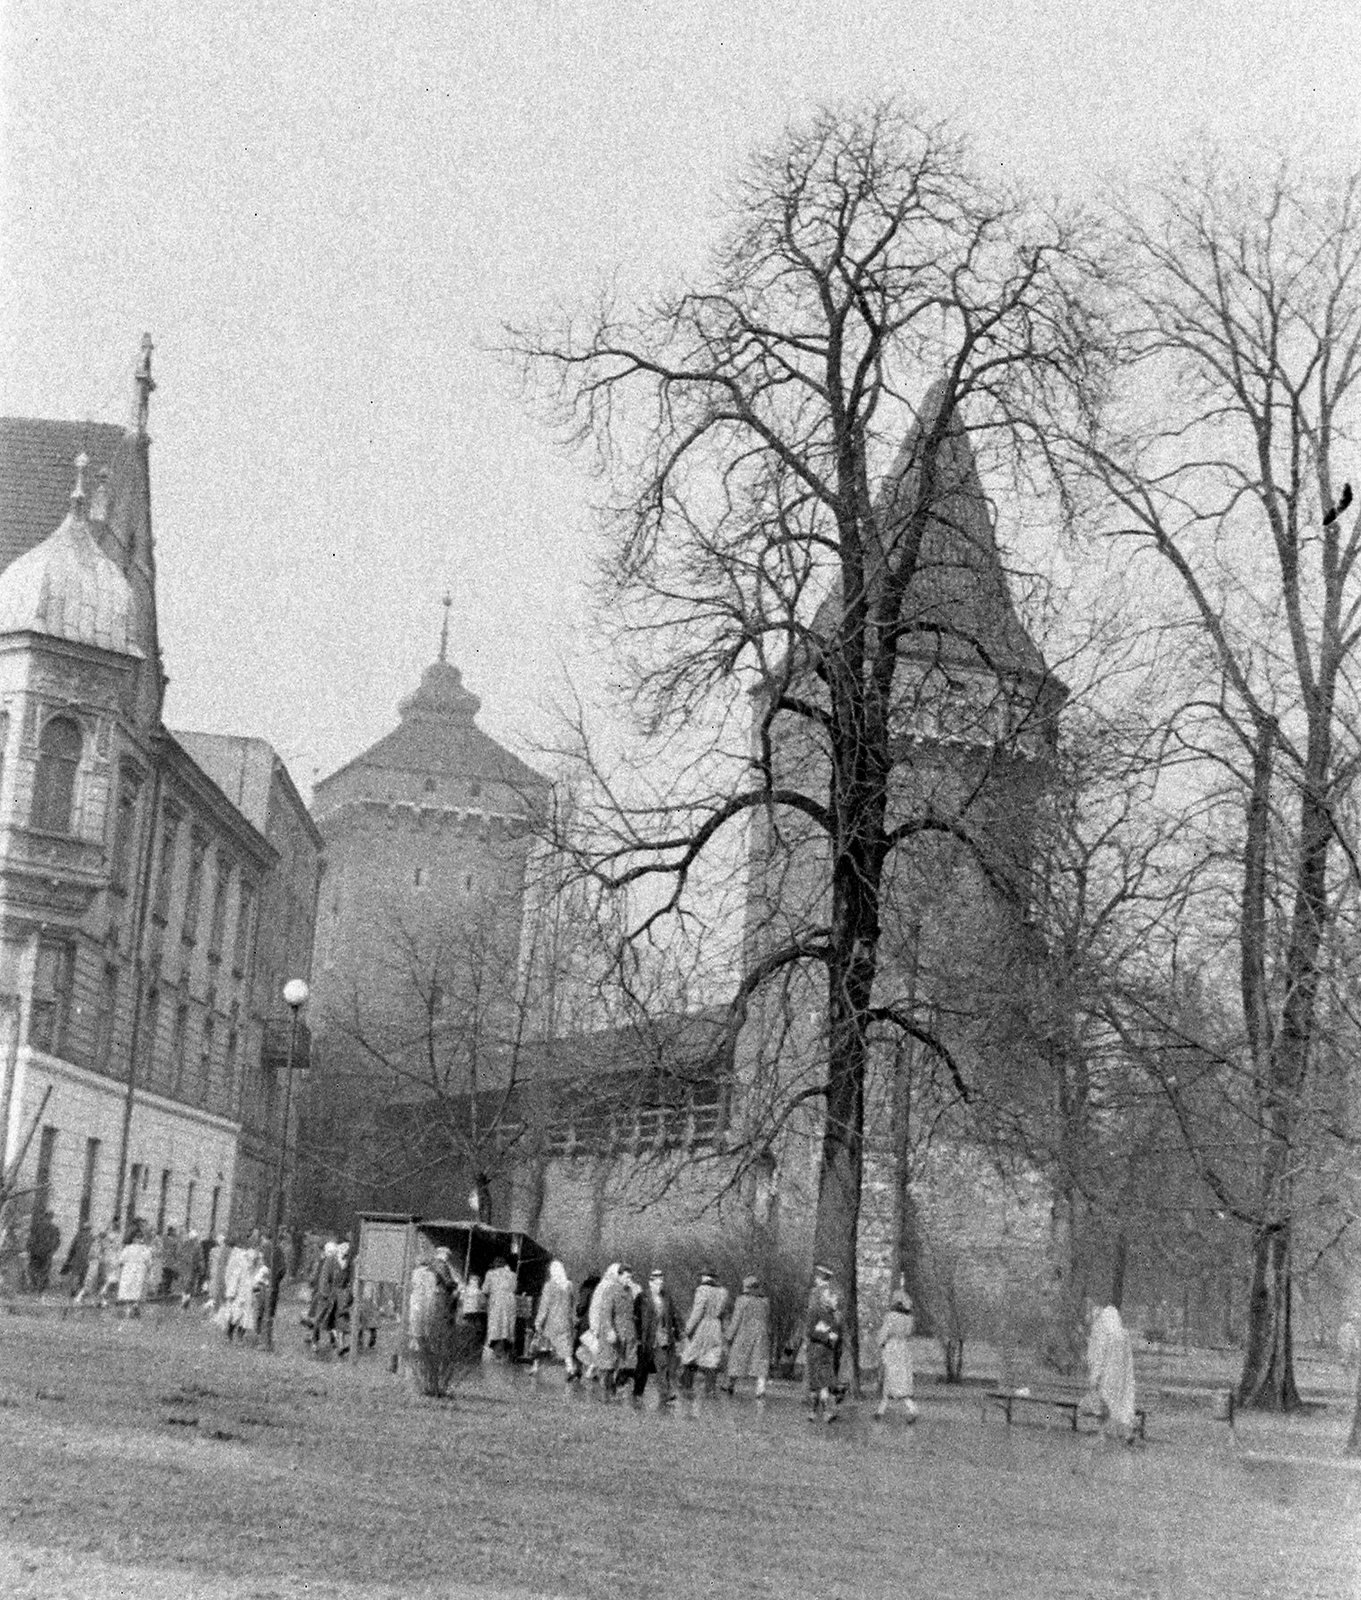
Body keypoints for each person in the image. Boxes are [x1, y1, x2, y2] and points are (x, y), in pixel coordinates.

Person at [1082, 1302, 1137, 1443]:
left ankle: (1102, 1435)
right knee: (1121, 1405)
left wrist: (1095, 1377)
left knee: (1103, 1405)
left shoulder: (1104, 1334)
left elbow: (1098, 1357)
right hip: (1122, 1377)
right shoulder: (1123, 1335)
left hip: (1107, 1376)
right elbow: (1129, 1360)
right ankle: (1124, 1433)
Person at [679, 1267, 730, 1397]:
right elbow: (724, 1313)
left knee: (692, 1354)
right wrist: (724, 1329)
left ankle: (686, 1385)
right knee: (712, 1356)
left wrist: (687, 1329)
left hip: (704, 1324)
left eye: (702, 1276)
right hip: (717, 1326)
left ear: (705, 1277)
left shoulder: (702, 1290)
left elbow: (697, 1312)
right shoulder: (723, 1292)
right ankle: (710, 1389)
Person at [635, 1266, 681, 1404]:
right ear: (650, 1282)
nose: (659, 1285)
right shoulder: (642, 1297)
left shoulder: (666, 1297)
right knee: (642, 1368)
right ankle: (637, 1393)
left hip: (662, 1337)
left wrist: (679, 1334)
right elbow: (636, 1318)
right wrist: (638, 1336)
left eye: (661, 1282)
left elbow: (673, 1316)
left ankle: (665, 1394)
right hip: (646, 1338)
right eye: (656, 1282)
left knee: (662, 1365)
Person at [591, 1262, 638, 1397]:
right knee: (608, 1364)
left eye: (630, 1277)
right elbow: (605, 1313)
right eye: (627, 1277)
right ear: (619, 1276)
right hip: (613, 1332)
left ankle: (615, 1392)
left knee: (624, 1364)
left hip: (626, 1333)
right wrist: (610, 1330)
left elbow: (630, 1313)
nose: (629, 1280)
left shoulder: (629, 1292)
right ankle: (605, 1394)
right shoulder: (610, 1290)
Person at [805, 1264, 844, 1422]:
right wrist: (830, 1337)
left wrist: (828, 1336)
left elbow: (812, 1327)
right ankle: (822, 1411)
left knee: (819, 1380)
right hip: (825, 1347)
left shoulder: (817, 1297)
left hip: (820, 1346)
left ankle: (816, 1411)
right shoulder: (832, 1304)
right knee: (822, 1380)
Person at [724, 1275, 772, 1399]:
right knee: (761, 1360)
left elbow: (736, 1319)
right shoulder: (765, 1301)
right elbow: (766, 1319)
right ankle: (760, 1389)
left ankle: (730, 1384)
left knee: (737, 1357)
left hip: (744, 1332)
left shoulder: (742, 1300)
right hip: (761, 1333)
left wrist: (729, 1335)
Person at [875, 1288, 918, 1423]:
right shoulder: (909, 1318)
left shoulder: (891, 1316)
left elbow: (884, 1333)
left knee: (891, 1379)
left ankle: (912, 1408)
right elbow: (909, 1333)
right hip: (904, 1349)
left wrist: (880, 1343)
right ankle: (880, 1411)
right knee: (899, 1380)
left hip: (892, 1349)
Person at [533, 1259, 577, 1377]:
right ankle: (570, 1368)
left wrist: (538, 1321)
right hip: (565, 1321)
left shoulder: (549, 1286)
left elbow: (544, 1306)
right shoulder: (569, 1285)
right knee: (565, 1347)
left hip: (551, 1321)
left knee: (542, 1343)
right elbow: (572, 1303)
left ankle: (535, 1367)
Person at [115, 1224, 155, 1319]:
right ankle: (135, 1306)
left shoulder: (128, 1248)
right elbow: (149, 1262)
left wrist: (119, 1269)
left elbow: (120, 1260)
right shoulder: (145, 1249)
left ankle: (128, 1309)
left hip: (128, 1271)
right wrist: (149, 1272)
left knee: (127, 1289)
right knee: (137, 1289)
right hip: (140, 1271)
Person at [483, 1255, 519, 1360]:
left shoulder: (490, 1274)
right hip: (510, 1302)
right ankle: (506, 1350)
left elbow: (485, 1290)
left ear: (494, 1265)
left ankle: (493, 1352)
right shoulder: (513, 1275)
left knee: (495, 1325)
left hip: (497, 1301)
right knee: (507, 1326)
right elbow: (515, 1288)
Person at [26, 1208, 60, 1293]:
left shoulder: (38, 1226)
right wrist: (52, 1250)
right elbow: (57, 1242)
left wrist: (29, 1248)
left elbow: (31, 1239)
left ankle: (36, 1287)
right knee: (42, 1271)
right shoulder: (54, 1229)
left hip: (37, 1253)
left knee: (35, 1270)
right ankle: (38, 1288)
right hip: (44, 1253)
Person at [59, 1222, 94, 1301]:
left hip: (77, 1259)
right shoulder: (92, 1238)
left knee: (75, 1275)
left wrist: (69, 1259)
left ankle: (74, 1291)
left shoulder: (78, 1237)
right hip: (86, 1260)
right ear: (89, 1229)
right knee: (83, 1276)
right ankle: (80, 1291)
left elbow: (72, 1249)